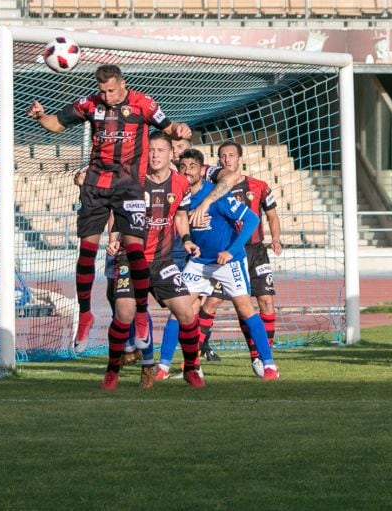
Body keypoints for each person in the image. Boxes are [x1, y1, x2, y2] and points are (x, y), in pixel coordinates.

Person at [28, 65, 192, 353]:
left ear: (122, 84)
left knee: (135, 251)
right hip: (96, 185)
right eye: (102, 90)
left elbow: (170, 129)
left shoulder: (143, 104)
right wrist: (41, 116)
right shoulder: (90, 105)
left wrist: (179, 129)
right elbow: (55, 124)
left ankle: (141, 314)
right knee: (86, 254)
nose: (107, 95)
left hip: (129, 187)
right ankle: (85, 315)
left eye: (112, 90)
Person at [101, 133, 205, 390]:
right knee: (124, 314)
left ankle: (191, 369)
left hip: (162, 261)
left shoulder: (180, 184)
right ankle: (112, 370)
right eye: (152, 150)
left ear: (172, 154)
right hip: (130, 257)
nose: (156, 154)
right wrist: (114, 238)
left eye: (161, 150)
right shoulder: (131, 181)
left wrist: (188, 239)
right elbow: (117, 215)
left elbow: (181, 216)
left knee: (187, 313)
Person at [177, 148, 280, 380]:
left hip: (248, 251)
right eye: (223, 155)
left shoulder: (254, 184)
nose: (227, 159)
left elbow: (265, 216)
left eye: (231, 155)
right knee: (202, 306)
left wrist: (275, 239)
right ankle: (186, 364)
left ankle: (264, 360)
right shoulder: (186, 186)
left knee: (259, 302)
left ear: (239, 159)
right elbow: (178, 216)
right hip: (208, 257)